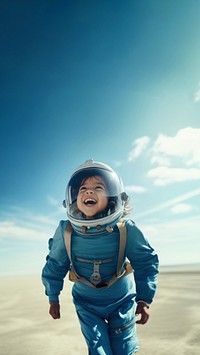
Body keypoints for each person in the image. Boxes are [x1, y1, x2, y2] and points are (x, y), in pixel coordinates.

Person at [42, 159, 159, 355]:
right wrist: (53, 298)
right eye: (83, 188)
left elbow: (146, 262)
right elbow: (55, 265)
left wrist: (144, 299)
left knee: (124, 349)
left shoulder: (125, 229)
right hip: (87, 304)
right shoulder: (67, 231)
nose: (89, 192)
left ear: (113, 198)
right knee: (98, 350)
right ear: (72, 198)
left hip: (121, 300)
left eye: (98, 187)